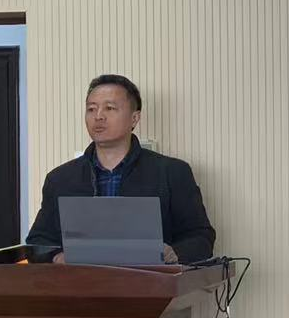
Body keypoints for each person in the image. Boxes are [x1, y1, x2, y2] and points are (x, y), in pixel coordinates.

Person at [26, 74, 215, 264]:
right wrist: (57, 257)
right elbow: (38, 242)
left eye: (109, 108)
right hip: (80, 280)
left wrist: (174, 252)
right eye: (91, 109)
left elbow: (201, 238)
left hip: (150, 279)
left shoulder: (171, 173)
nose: (98, 116)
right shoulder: (60, 179)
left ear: (134, 118)